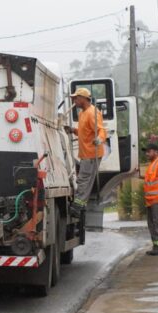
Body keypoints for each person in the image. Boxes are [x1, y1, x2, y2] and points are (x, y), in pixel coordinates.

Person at [66, 87, 107, 218]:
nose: (74, 100)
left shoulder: (92, 112)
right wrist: (73, 130)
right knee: (85, 180)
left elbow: (101, 130)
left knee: (83, 180)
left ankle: (77, 206)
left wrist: (99, 139)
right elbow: (84, 132)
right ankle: (80, 205)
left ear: (83, 98)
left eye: (76, 98)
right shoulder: (82, 113)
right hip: (85, 154)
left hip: (92, 153)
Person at [139, 143, 158, 256]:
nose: (147, 153)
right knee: (152, 224)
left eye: (149, 151)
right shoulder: (151, 165)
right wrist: (139, 176)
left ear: (156, 152)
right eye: (146, 151)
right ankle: (156, 246)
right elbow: (150, 180)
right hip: (150, 201)